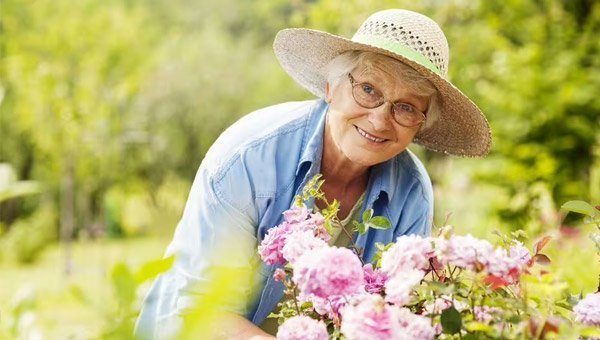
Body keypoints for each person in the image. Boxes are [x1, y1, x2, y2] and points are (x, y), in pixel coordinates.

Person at [135, 8, 491, 339]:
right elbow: (205, 312)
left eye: (406, 107)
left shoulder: (411, 192)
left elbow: (393, 316)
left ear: (420, 126)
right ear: (331, 87)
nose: (380, 119)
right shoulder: (249, 158)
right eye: (368, 90)